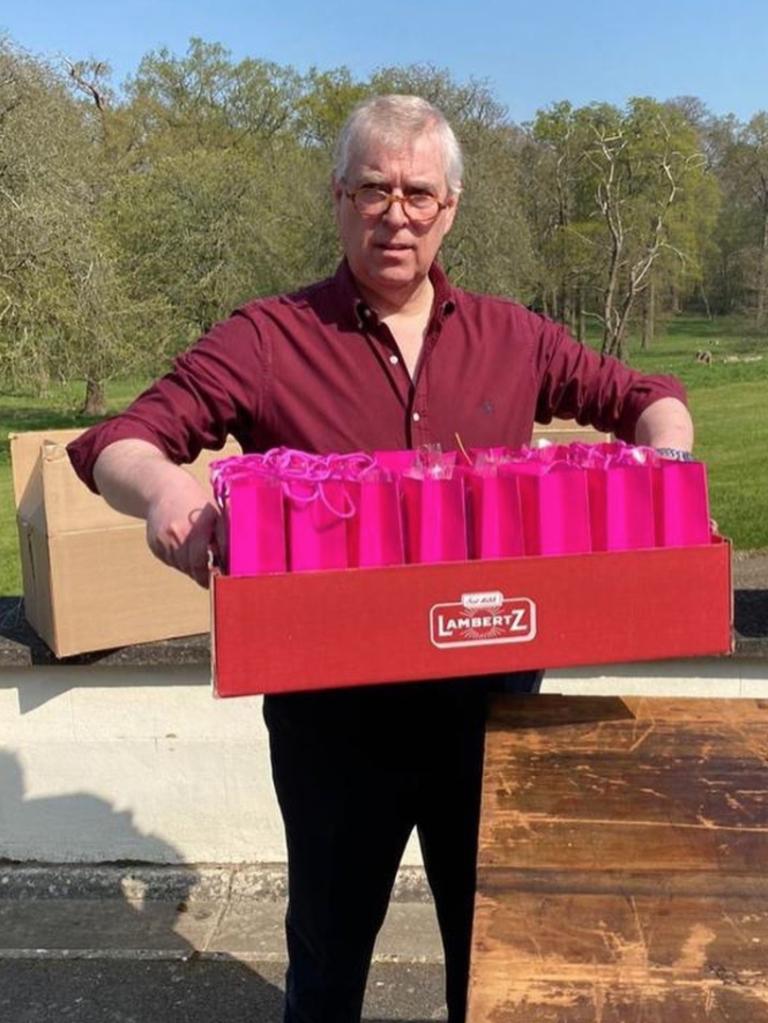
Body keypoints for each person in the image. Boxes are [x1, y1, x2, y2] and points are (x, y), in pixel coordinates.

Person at [67, 95, 694, 1022]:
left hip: (491, 711)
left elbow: (645, 397)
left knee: (491, 963)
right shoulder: (270, 339)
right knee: (327, 964)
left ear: (451, 206)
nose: (395, 213)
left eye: (417, 193)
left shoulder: (513, 336)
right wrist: (167, 493)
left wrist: (667, 464)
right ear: (338, 198)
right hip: (334, 728)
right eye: (372, 189)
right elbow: (119, 440)